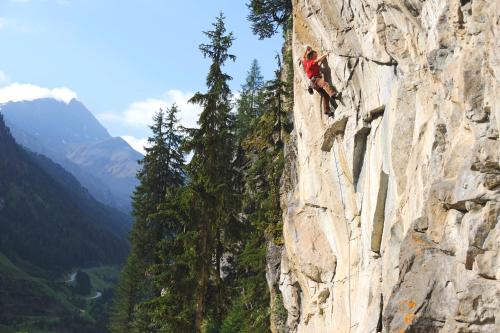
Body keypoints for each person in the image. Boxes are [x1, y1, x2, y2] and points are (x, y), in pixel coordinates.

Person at [303, 46, 341, 115]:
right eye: (315, 55)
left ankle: (327, 111)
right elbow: (318, 60)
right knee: (325, 84)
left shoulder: (306, 63)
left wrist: (306, 50)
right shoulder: (311, 62)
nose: (316, 56)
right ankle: (333, 95)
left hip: (313, 83)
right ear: (311, 56)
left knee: (325, 95)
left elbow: (303, 58)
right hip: (315, 80)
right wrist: (325, 54)